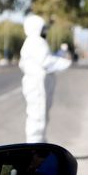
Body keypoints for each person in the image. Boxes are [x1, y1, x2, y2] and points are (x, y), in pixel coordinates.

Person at [19, 14, 71, 143]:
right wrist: (66, 62)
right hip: (37, 85)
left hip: (36, 84)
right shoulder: (36, 41)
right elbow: (46, 62)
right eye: (43, 28)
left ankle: (40, 146)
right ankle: (34, 149)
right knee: (37, 118)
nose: (45, 31)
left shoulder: (33, 42)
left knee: (40, 117)